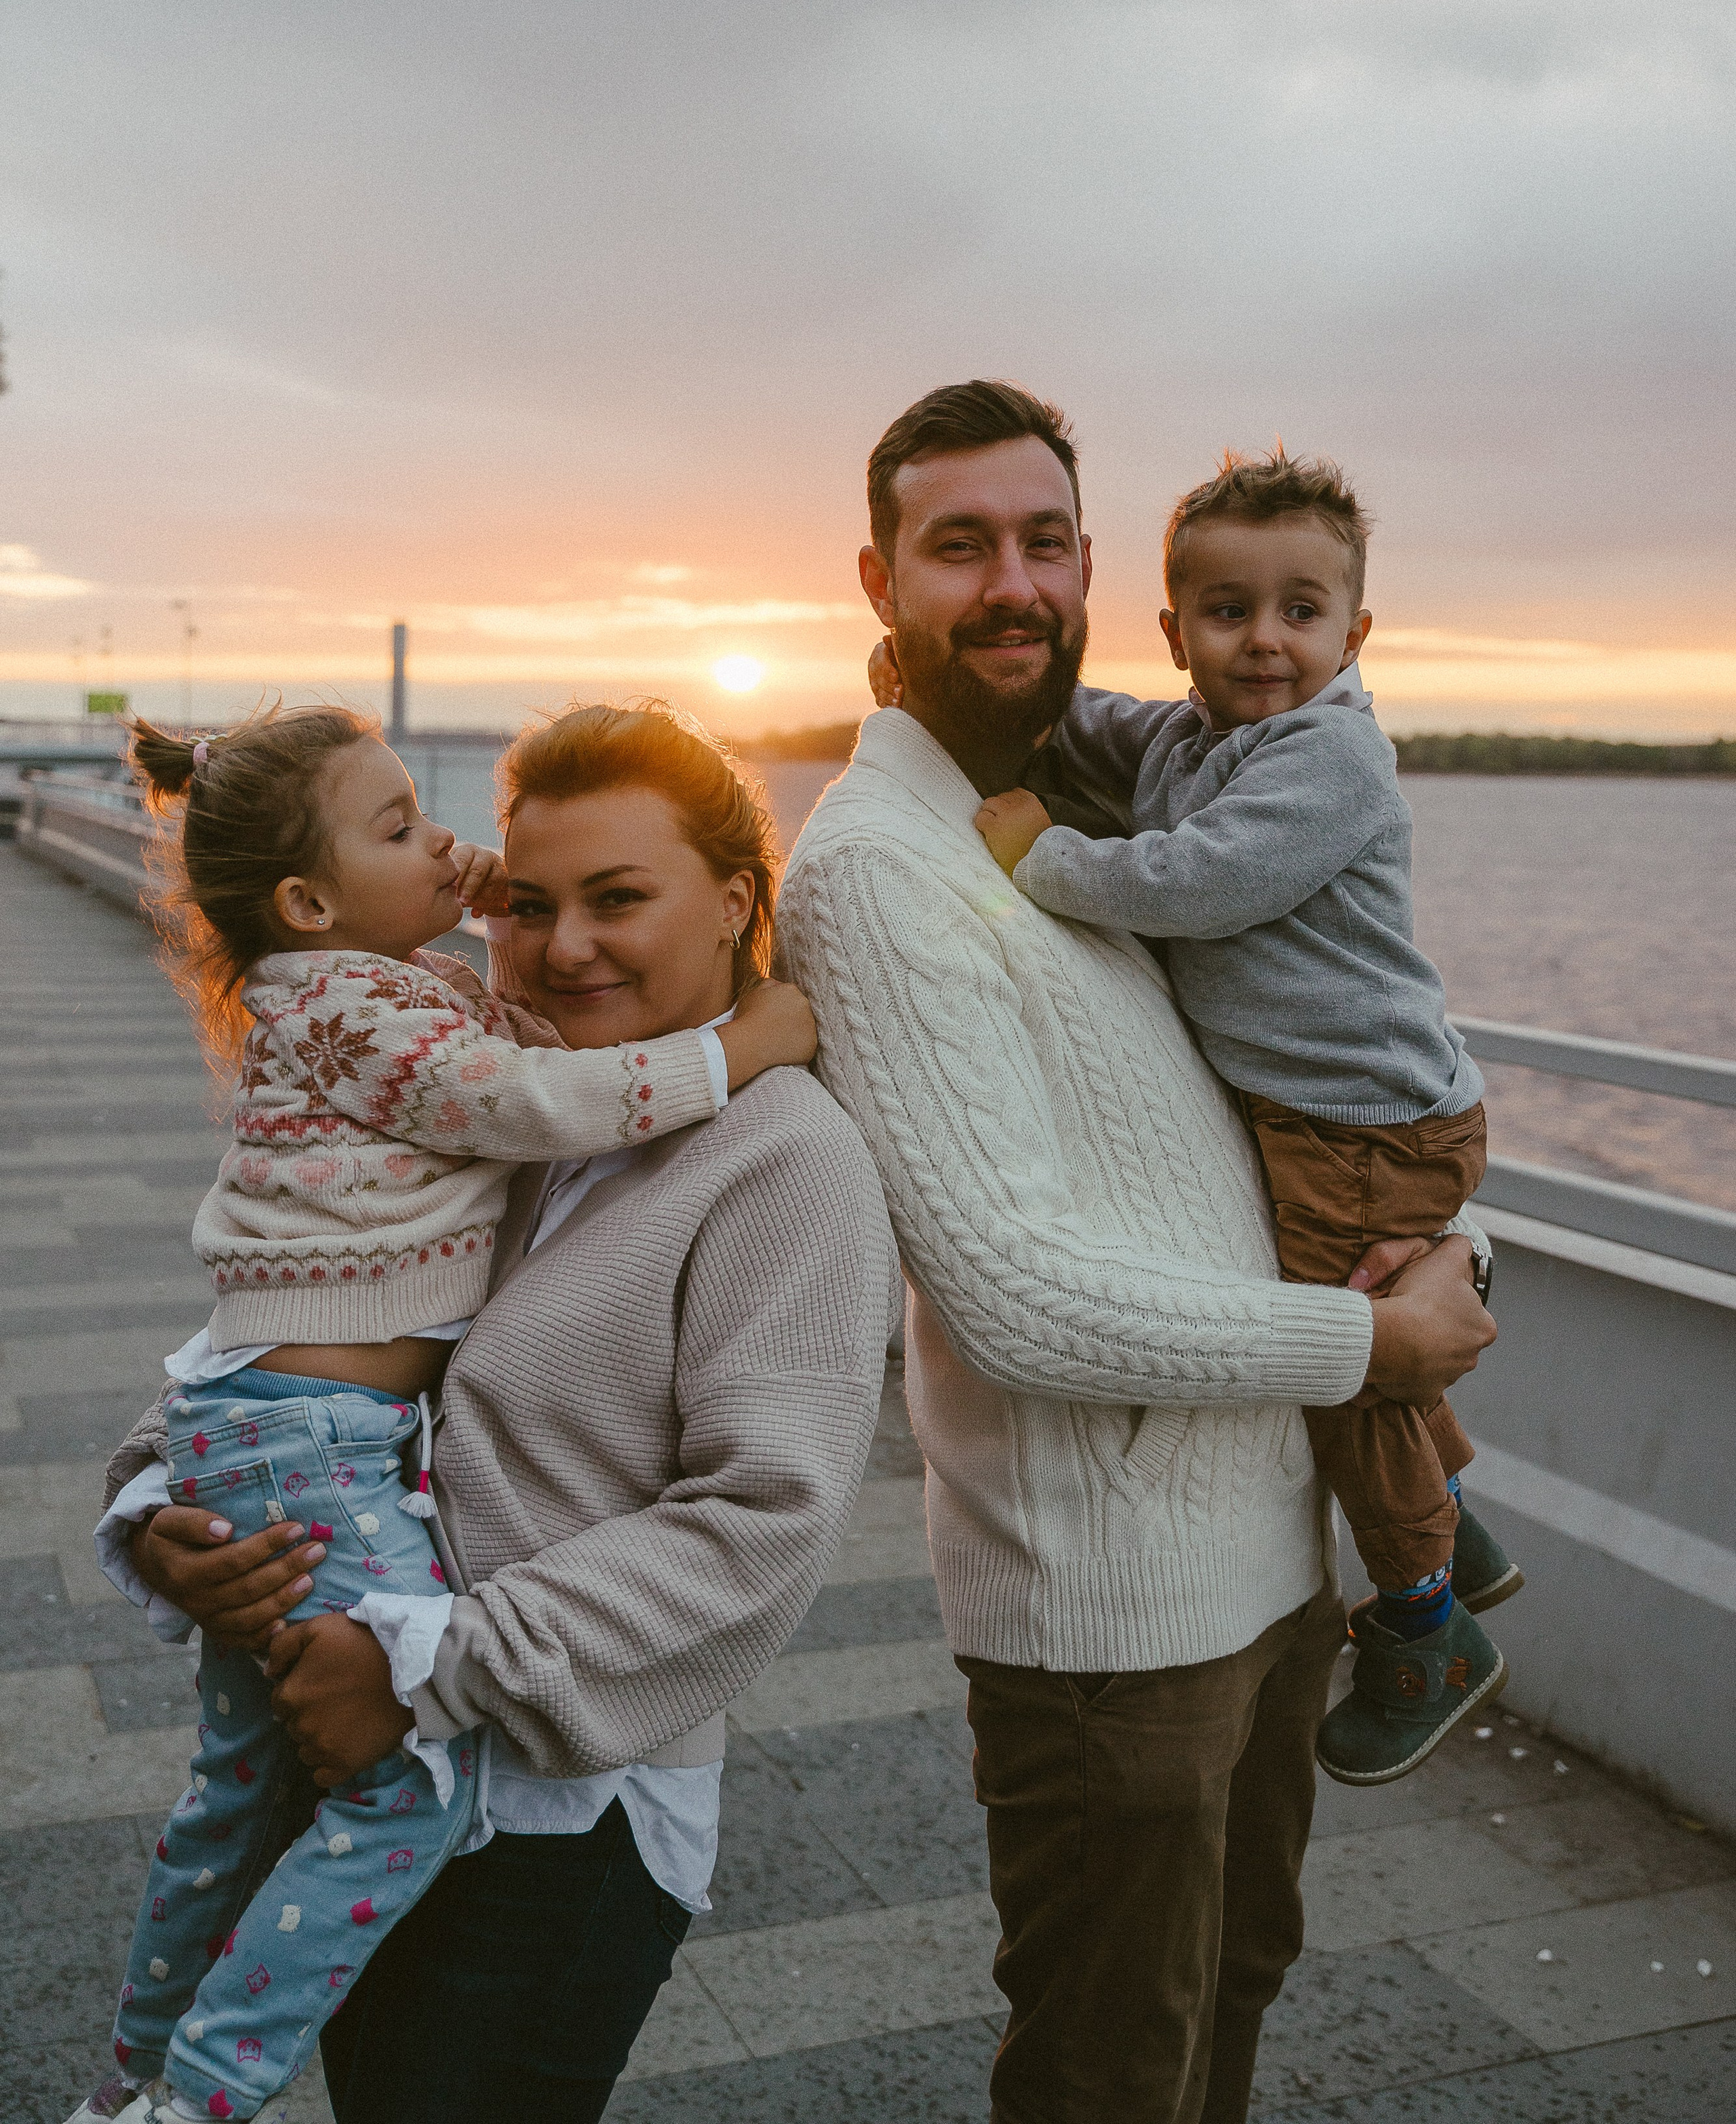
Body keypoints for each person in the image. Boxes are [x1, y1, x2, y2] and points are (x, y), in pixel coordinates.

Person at [775, 380, 1497, 2124]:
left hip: (1262, 1567)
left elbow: (1282, 1106)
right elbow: (1014, 1296)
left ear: (1095, 570)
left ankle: (1431, 1553)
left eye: (1039, 543)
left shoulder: (1078, 801)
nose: (1010, 584)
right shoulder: (882, 868)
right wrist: (1374, 1354)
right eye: (959, 547)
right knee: (1116, 2061)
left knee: (1225, 2004)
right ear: (878, 580)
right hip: (1112, 1625)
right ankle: (1440, 1559)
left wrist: (1445, 1244)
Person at [96, 702, 894, 2124]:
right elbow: (316, 1307)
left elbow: (754, 1528)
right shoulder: (499, 1084)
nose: (564, 944)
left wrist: (418, 1666)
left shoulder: (783, 1158)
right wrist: (165, 1510)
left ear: (733, 901)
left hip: (555, 1814)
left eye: (618, 899)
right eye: (529, 905)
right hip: (358, 1764)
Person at [969, 444, 1519, 1786]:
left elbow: (1196, 883)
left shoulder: (1326, 763)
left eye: (1297, 611)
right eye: (1226, 612)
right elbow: (1085, 718)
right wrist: (962, 694)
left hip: (1366, 1123)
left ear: (1352, 632)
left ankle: (1423, 1620)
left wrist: (1035, 857)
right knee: (1356, 1334)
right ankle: (1454, 1517)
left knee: (1349, 1361)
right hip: (1328, 1116)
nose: (1262, 641)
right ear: (1175, 628)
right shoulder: (1185, 734)